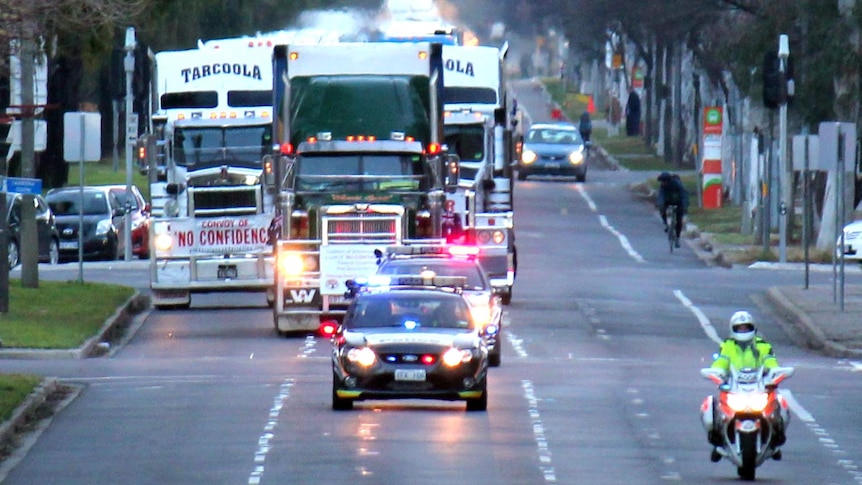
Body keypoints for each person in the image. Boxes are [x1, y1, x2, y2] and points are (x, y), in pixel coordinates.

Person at [705, 311, 785, 460]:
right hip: (734, 386)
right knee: (711, 405)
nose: (743, 331)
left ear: (753, 328)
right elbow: (721, 362)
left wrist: (776, 371)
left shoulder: (762, 345)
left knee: (779, 403)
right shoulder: (727, 346)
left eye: (746, 328)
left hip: (758, 386)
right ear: (733, 329)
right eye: (739, 328)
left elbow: (770, 360)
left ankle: (776, 436)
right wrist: (716, 372)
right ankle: (717, 438)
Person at [656, 172, 689, 247]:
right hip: (668, 201)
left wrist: (685, 205)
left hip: (678, 201)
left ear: (668, 180)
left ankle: (677, 238)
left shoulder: (677, 184)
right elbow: (661, 196)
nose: (663, 183)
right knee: (662, 209)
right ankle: (666, 224)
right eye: (662, 181)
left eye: (664, 181)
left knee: (679, 219)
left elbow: (683, 194)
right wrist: (660, 204)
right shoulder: (662, 187)